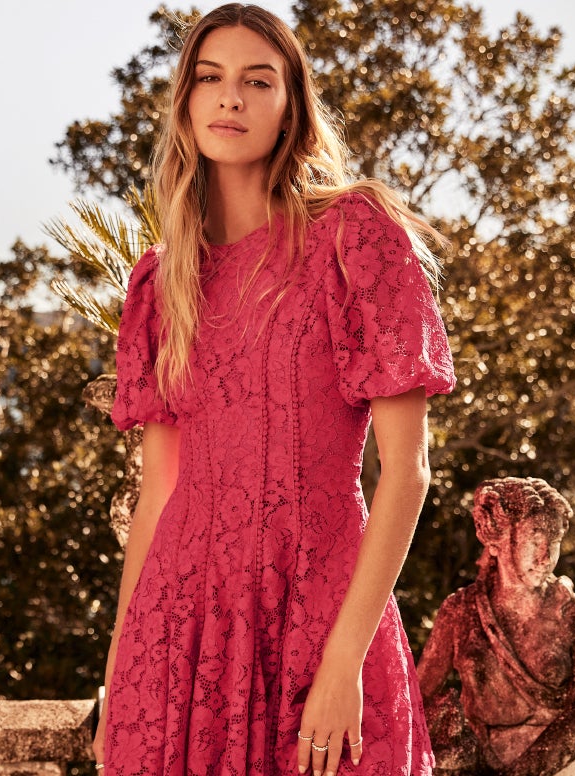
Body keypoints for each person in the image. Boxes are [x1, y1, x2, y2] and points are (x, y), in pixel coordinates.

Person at [96, 4, 456, 774]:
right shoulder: (162, 282)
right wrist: (119, 673)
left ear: (292, 106)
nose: (232, 99)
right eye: (211, 79)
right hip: (179, 634)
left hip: (321, 615)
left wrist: (343, 666)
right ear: (186, 103)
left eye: (258, 82)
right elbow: (158, 491)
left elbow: (407, 471)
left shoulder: (353, 235)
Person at [416, 478, 575, 776]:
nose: (544, 557)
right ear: (496, 540)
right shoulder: (460, 612)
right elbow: (417, 696)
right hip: (486, 758)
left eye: (553, 544)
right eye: (534, 541)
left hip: (569, 764)